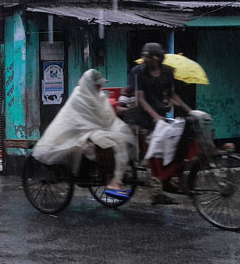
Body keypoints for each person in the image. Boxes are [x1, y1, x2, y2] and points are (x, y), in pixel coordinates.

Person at [31, 69, 137, 197]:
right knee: (105, 143)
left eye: (100, 84)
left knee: (120, 140)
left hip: (97, 130)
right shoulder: (78, 97)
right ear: (89, 84)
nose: (100, 87)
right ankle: (111, 182)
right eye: (97, 84)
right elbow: (78, 121)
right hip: (78, 133)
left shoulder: (101, 97)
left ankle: (116, 180)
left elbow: (107, 116)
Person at [129, 42, 191, 131]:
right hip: (141, 117)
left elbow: (172, 95)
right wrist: (155, 116)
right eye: (144, 56)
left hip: (160, 115)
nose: (144, 59)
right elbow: (140, 99)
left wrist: (190, 111)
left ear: (156, 59)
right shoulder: (137, 72)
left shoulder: (168, 71)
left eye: (147, 57)